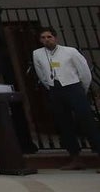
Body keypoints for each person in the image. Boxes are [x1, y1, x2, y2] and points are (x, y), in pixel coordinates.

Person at [32, 27, 100, 170]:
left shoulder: (70, 51)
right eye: (43, 38)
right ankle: (75, 158)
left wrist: (82, 88)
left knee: (87, 121)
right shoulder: (38, 53)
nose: (46, 40)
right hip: (55, 89)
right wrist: (50, 86)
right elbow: (41, 74)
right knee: (64, 124)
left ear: (55, 38)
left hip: (73, 87)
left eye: (49, 37)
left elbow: (84, 71)